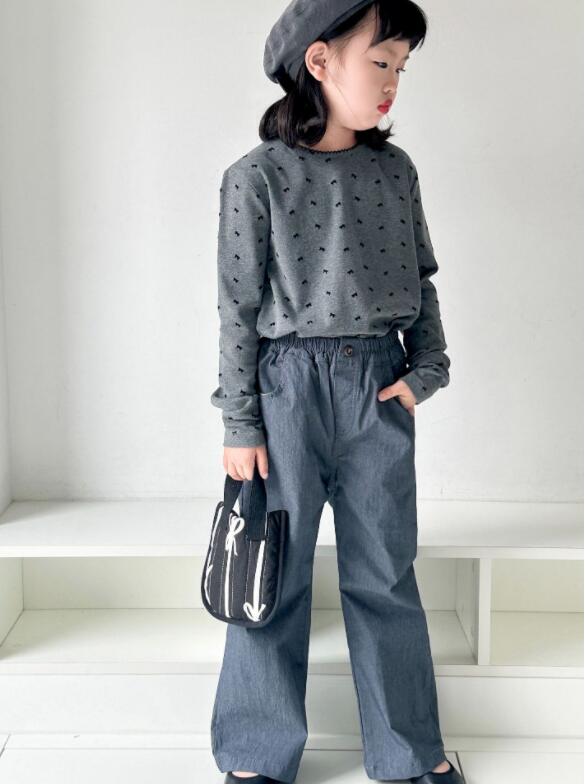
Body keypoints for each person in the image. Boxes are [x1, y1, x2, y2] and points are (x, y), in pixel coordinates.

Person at [209, 1, 462, 782]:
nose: (392, 83)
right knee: (273, 573)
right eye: (379, 61)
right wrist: (241, 422)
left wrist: (425, 371)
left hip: (375, 386)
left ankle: (407, 754)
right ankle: (255, 756)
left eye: (400, 68)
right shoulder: (254, 177)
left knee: (383, 574)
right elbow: (235, 307)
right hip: (284, 391)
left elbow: (420, 279)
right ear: (317, 62)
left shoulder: (394, 171)